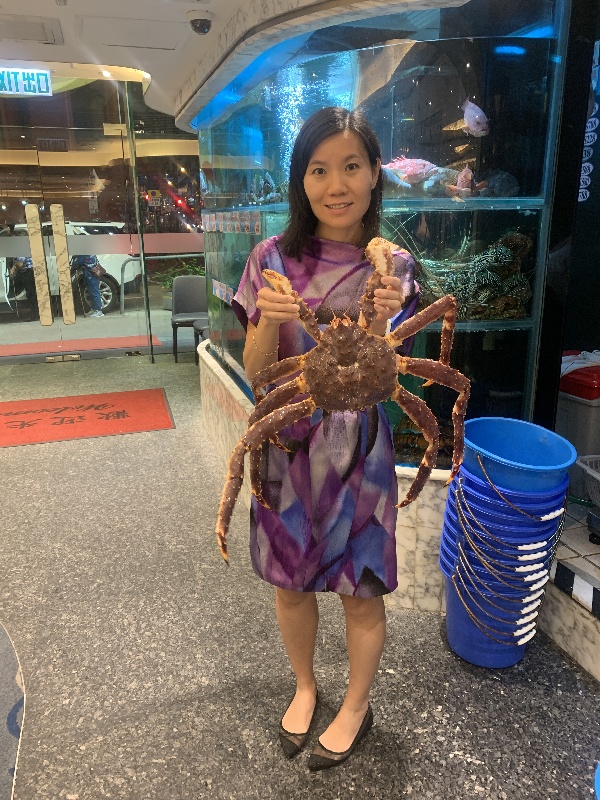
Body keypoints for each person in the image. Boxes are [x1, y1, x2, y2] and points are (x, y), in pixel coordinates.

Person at [231, 106, 419, 771]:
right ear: (300, 179)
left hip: (360, 451)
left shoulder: (394, 266)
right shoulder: (270, 259)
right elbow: (256, 372)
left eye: (351, 167)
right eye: (319, 169)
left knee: (360, 592)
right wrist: (266, 318)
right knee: (291, 585)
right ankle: (306, 686)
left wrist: (387, 317)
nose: (336, 185)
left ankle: (356, 705)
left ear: (374, 174)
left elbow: (393, 372)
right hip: (288, 443)